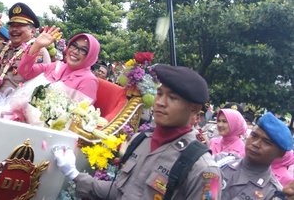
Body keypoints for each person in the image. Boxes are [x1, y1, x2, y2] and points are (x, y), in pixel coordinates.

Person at [53, 64, 221, 199]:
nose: (161, 102)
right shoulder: (140, 141)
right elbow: (118, 192)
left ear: (194, 110)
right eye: (159, 94)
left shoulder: (203, 169)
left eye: (173, 98)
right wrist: (73, 174)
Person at [0, 2, 50, 94]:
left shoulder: (39, 51)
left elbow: (43, 84)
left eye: (20, 25)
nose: (14, 29)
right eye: (12, 25)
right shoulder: (5, 47)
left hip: (15, 106)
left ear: (33, 31)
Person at [219, 112, 290, 199]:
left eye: (266, 142)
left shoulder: (272, 193)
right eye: (254, 136)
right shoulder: (222, 161)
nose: (256, 144)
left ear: (280, 153)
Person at [17, 28, 100, 103]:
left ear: (91, 56)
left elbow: (77, 115)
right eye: (74, 46)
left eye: (83, 50)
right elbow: (25, 72)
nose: (75, 51)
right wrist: (36, 45)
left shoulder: (89, 81)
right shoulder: (56, 66)